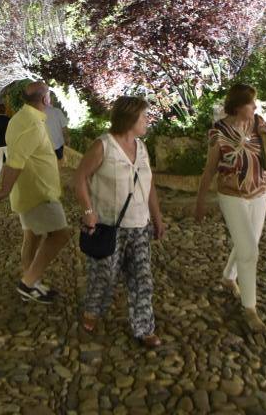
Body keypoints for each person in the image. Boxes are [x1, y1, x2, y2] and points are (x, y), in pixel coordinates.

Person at [74, 96, 165, 348]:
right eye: (143, 117)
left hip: (139, 226)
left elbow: (149, 186)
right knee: (104, 277)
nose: (147, 121)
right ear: (129, 119)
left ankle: (144, 327)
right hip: (108, 227)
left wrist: (156, 218)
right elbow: (79, 178)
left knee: (142, 278)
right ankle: (91, 311)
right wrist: (88, 210)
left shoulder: (142, 148)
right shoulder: (103, 146)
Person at [194, 83, 266, 332]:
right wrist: (200, 202)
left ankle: (228, 276)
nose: (255, 107)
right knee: (249, 252)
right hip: (232, 195)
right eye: (251, 103)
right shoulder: (218, 132)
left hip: (260, 192)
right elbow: (209, 170)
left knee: (249, 243)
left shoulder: (258, 123)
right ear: (237, 106)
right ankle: (250, 310)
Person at [0, 81, 70, 303]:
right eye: (49, 96)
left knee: (31, 236)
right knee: (60, 234)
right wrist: (3, 190)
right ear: (45, 99)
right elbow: (16, 161)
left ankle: (31, 284)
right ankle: (27, 283)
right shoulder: (33, 124)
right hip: (39, 191)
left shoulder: (19, 118)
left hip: (27, 190)